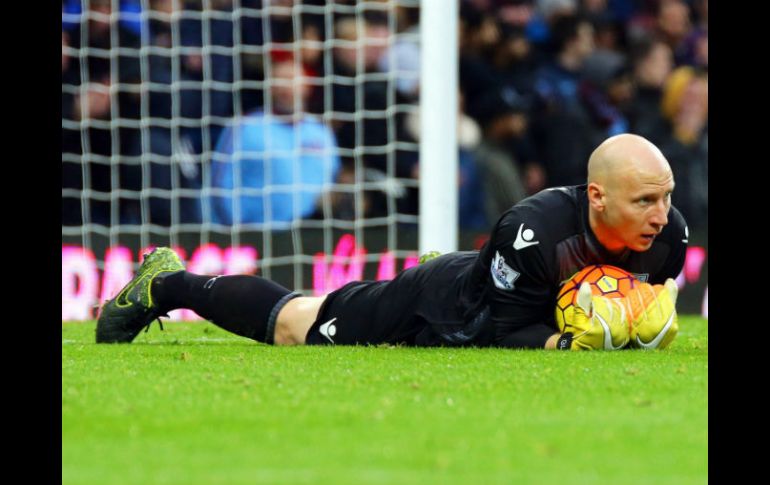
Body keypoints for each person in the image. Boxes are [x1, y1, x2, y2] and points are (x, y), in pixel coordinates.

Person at [97, 133, 687, 351]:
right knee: (295, 326)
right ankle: (166, 280)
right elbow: (505, 333)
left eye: (665, 197)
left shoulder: (670, 239)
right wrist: (566, 343)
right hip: (448, 309)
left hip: (484, 283)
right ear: (597, 197)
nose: (661, 215)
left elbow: (642, 310)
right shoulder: (534, 231)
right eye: (645, 201)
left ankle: (461, 268)